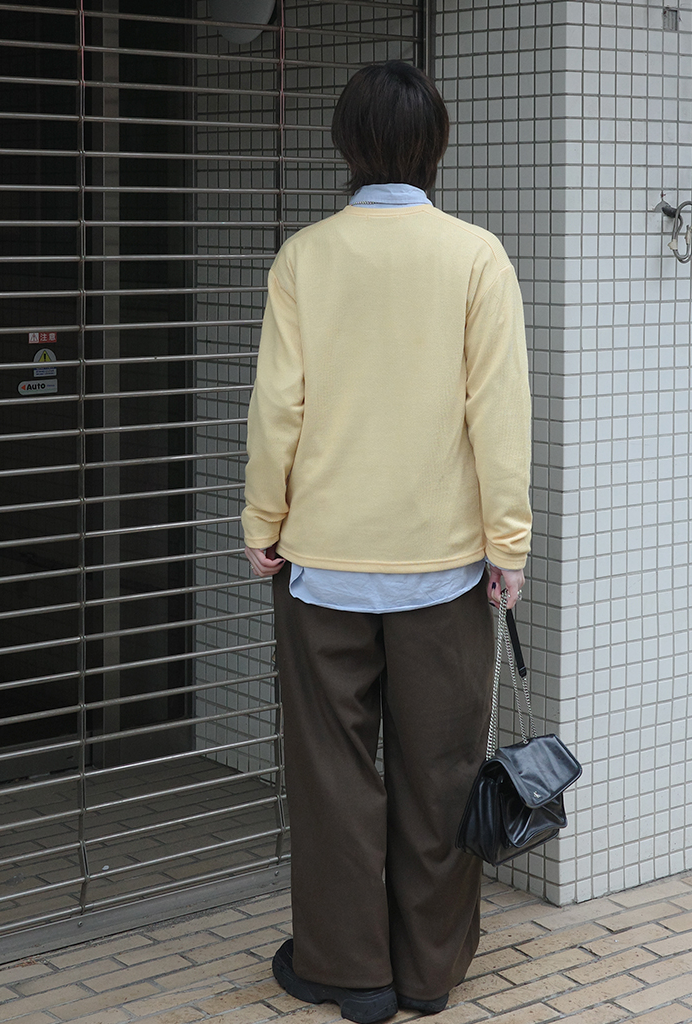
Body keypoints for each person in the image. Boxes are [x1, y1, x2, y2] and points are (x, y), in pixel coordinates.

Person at [242, 61, 532, 1024]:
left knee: (332, 773)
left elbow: (277, 409)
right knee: (440, 769)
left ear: (347, 145)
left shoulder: (304, 258)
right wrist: (507, 545)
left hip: (322, 564)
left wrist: (262, 523)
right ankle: (427, 973)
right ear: (435, 145)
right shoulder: (477, 257)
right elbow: (499, 414)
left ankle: (351, 972)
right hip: (443, 569)